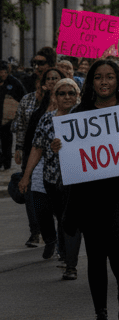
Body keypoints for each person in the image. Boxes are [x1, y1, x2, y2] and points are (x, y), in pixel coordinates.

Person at [24, 61, 119, 320]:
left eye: (110, 77)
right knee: (96, 255)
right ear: (91, 82)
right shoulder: (79, 114)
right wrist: (59, 146)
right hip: (88, 194)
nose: (104, 82)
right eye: (98, 77)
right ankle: (101, 316)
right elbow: (69, 151)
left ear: (117, 82)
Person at [18, 74, 79, 271]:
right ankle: (62, 249)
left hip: (78, 177)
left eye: (71, 93)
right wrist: (26, 176)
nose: (67, 97)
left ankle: (69, 260)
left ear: (78, 95)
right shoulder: (46, 119)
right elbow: (37, 148)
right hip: (52, 177)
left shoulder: (85, 116)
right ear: (54, 96)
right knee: (61, 215)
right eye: (62, 93)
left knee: (71, 218)